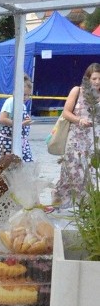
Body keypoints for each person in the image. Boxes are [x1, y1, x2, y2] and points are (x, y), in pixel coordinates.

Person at [51, 63, 100, 205]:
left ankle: (87, 204)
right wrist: (79, 120)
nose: (97, 82)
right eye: (94, 78)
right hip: (75, 138)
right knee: (72, 171)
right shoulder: (77, 90)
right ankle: (63, 202)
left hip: (94, 139)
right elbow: (66, 112)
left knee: (91, 173)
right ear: (88, 78)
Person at [0, 74, 34, 163]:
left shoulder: (23, 105)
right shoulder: (10, 101)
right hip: (8, 141)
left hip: (21, 142)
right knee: (7, 166)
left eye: (28, 95)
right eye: (24, 94)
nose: (26, 97)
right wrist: (21, 124)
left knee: (26, 164)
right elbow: (1, 119)